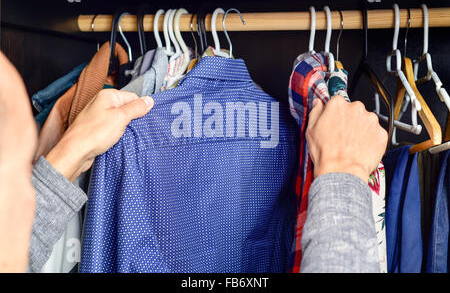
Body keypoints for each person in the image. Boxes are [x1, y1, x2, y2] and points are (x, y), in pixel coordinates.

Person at [0, 52, 387, 273]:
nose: (29, 191)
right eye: (23, 173)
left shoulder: (132, 136)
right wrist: (342, 168)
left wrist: (68, 154)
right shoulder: (305, 131)